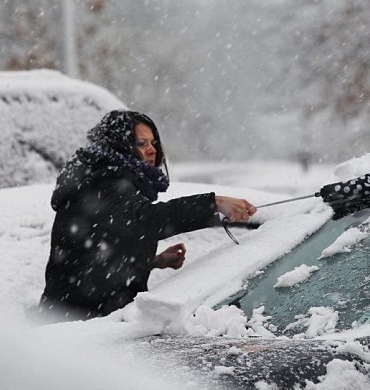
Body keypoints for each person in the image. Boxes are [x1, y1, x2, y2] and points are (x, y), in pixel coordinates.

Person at [38, 110, 257, 322]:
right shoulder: (104, 182)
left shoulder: (106, 181)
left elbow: (102, 250)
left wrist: (151, 262)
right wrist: (213, 203)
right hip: (75, 330)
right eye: (142, 144)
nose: (152, 150)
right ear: (119, 146)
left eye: (153, 143)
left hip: (88, 323)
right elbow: (146, 220)